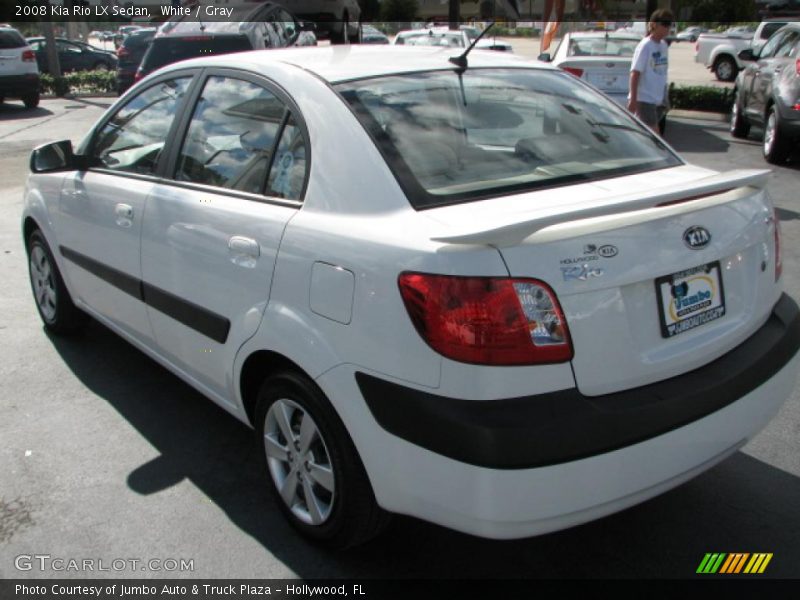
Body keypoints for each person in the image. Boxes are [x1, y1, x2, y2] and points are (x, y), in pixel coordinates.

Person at [627, 9, 674, 132]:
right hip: (645, 99)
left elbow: (662, 73)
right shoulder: (645, 46)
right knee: (655, 136)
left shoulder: (663, 45)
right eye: (665, 24)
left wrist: (665, 96)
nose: (667, 28)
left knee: (644, 135)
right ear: (654, 24)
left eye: (669, 24)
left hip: (658, 99)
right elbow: (635, 73)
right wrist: (633, 99)